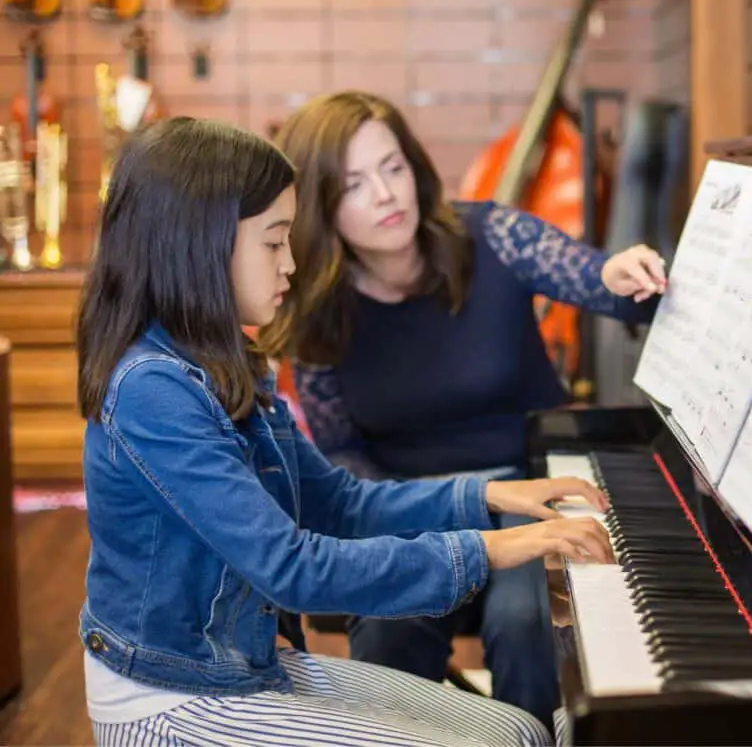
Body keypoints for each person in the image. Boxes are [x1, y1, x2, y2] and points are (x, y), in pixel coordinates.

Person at [76, 116, 616, 747]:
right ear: (201, 247)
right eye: (274, 242)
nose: (293, 263)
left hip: (242, 663)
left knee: (522, 730)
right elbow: (291, 568)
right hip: (173, 697)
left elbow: (337, 502)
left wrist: (493, 498)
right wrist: (497, 548)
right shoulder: (152, 389)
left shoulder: (229, 359)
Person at [261, 91, 666, 730]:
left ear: (415, 166)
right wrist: (417, 524)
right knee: (387, 634)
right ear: (320, 206)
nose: (386, 195)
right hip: (412, 512)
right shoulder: (316, 311)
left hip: (533, 493)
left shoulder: (494, 235)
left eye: (392, 168)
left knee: (529, 622)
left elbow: (595, 279)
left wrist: (619, 273)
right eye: (354, 185)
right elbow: (343, 454)